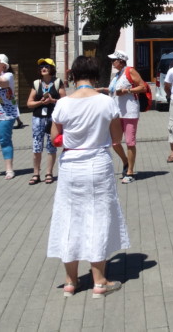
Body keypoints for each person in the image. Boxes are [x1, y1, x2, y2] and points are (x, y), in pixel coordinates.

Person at [47, 56, 129, 299]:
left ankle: (70, 281)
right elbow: (117, 138)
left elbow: (55, 138)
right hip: (98, 163)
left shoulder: (63, 103)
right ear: (96, 76)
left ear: (73, 76)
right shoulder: (106, 102)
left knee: (69, 218)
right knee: (98, 217)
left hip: (71, 165)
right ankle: (99, 281)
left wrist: (73, 137)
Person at [102, 51, 145, 184]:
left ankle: (130, 172)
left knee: (130, 142)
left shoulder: (129, 71)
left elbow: (143, 87)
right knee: (115, 142)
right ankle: (126, 161)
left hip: (130, 112)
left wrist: (127, 91)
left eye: (113, 60)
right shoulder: (117, 74)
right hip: (116, 112)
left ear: (120, 61)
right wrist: (100, 89)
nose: (112, 63)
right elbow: (113, 90)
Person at [26, 57, 65, 186]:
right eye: (41, 67)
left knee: (51, 145)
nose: (43, 68)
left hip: (52, 118)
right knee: (37, 146)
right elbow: (29, 103)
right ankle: (36, 173)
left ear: (51, 68)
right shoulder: (36, 83)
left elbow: (65, 101)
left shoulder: (58, 82)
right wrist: (40, 102)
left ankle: (49, 173)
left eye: (46, 66)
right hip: (38, 118)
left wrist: (53, 101)